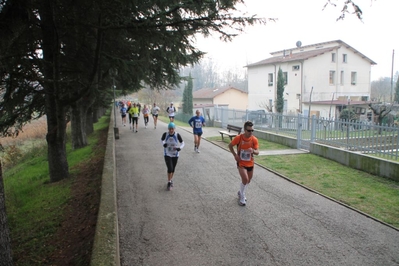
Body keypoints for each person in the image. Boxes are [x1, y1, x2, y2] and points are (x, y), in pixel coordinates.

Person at [228, 121, 259, 206]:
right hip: (241, 162)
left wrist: (253, 151)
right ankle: (242, 197)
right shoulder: (239, 138)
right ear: (245, 130)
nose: (251, 132)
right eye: (249, 130)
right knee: (245, 179)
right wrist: (235, 155)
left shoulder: (254, 139)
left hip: (250, 163)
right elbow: (230, 145)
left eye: (252, 130)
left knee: (248, 180)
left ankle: (241, 192)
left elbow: (257, 152)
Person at [161, 122, 185, 191]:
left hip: (175, 154)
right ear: (168, 129)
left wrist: (180, 148)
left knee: (173, 169)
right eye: (170, 129)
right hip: (167, 154)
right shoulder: (165, 134)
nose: (171, 130)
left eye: (172, 129)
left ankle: (171, 180)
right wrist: (163, 144)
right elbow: (161, 140)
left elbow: (183, 143)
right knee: (170, 168)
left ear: (174, 129)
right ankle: (169, 182)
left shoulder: (177, 135)